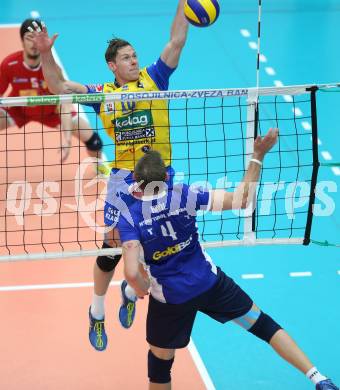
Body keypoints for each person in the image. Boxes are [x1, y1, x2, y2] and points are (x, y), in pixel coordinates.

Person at [117, 132, 339, 390]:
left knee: (159, 365)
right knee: (263, 324)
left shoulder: (129, 216)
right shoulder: (185, 194)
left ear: (135, 179)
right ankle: (318, 378)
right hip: (209, 283)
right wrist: (258, 155)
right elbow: (241, 199)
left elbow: (132, 272)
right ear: (167, 177)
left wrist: (142, 288)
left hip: (170, 299)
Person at [29, 0, 189, 351]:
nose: (134, 60)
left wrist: (185, 5)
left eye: (135, 55)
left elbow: (176, 40)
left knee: (159, 245)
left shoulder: (155, 78)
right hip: (123, 182)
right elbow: (59, 86)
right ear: (112, 66)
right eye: (127, 58)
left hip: (162, 177)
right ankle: (97, 311)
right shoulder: (103, 95)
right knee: (110, 250)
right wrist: (45, 55)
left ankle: (130, 290)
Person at [0, 18, 104, 163]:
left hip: (52, 112)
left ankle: (100, 168)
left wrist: (67, 139)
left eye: (38, 38)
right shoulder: (8, 64)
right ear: (22, 40)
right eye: (29, 38)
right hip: (19, 109)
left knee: (94, 142)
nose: (34, 43)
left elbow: (65, 102)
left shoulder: (52, 68)